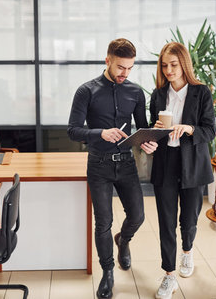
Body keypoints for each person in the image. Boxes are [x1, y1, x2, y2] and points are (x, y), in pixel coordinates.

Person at [68, 38, 157, 299]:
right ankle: (107, 273)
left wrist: (149, 142)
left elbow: (142, 128)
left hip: (127, 164)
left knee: (138, 216)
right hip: (98, 164)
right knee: (103, 223)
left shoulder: (136, 92)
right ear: (108, 60)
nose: (124, 73)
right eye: (120, 67)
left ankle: (124, 240)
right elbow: (73, 130)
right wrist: (100, 133)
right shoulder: (86, 91)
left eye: (129, 68)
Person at [149, 42, 215, 299]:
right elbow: (153, 133)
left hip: (193, 164)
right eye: (164, 65)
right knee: (166, 223)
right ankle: (169, 275)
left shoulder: (201, 92)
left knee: (188, 220)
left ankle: (187, 252)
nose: (168, 70)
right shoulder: (157, 95)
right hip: (166, 163)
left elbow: (210, 130)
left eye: (173, 65)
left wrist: (189, 129)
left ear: (184, 64)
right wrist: (153, 133)